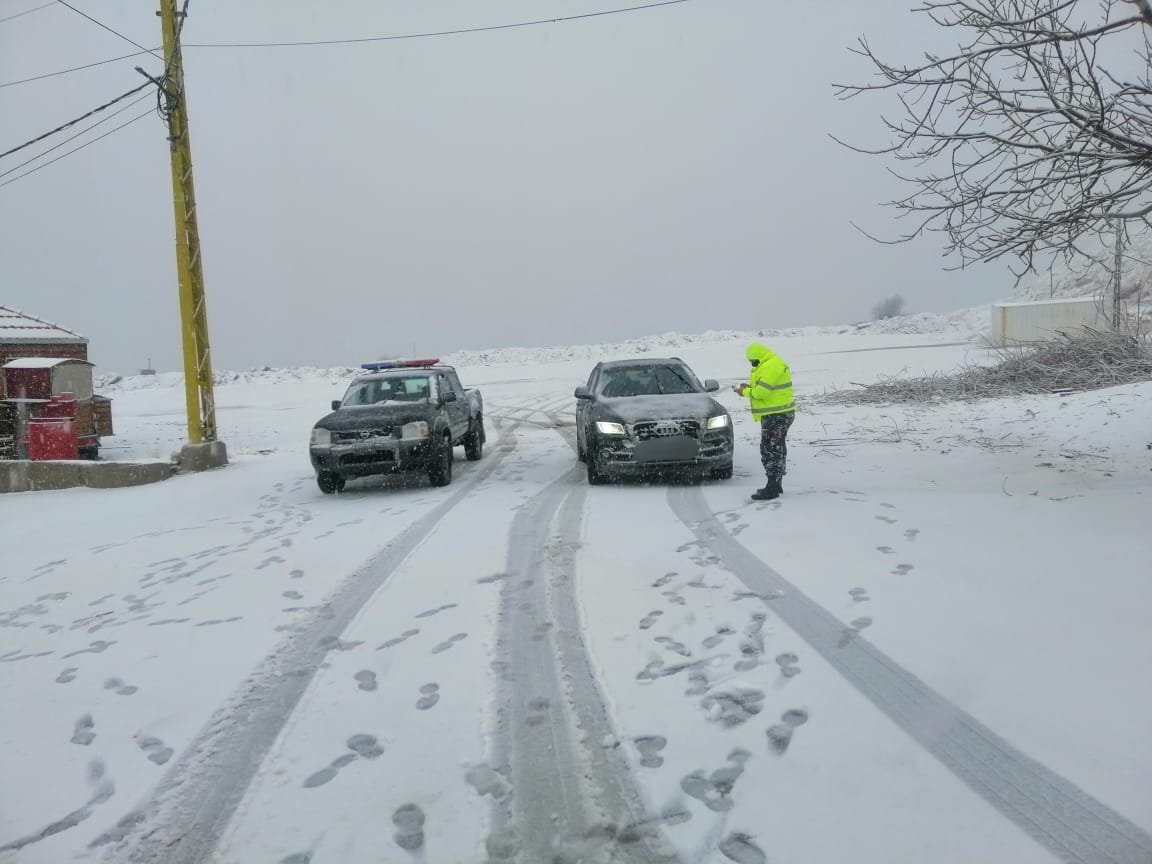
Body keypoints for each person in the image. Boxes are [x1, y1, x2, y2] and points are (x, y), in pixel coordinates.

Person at [736, 342, 795, 501]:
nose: (752, 364)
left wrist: (745, 391)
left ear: (760, 356)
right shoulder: (769, 364)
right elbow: (764, 386)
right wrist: (749, 387)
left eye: (753, 360)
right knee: (777, 448)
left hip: (777, 415)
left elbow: (762, 392)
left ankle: (772, 487)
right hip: (776, 414)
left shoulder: (771, 366)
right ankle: (776, 484)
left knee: (770, 449)